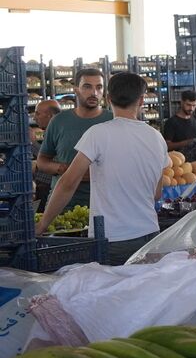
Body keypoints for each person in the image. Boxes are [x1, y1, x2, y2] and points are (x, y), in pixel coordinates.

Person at [35, 73, 167, 265]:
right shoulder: (156, 137)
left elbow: (68, 183)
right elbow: (156, 193)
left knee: (114, 292)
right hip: (150, 233)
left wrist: (42, 225)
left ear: (108, 98)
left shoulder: (98, 133)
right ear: (141, 100)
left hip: (113, 239)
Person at [36, 67, 111, 210]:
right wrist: (62, 168)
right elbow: (42, 160)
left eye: (99, 87)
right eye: (87, 87)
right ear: (76, 89)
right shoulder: (59, 121)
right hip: (62, 207)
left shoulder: (113, 120)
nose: (94, 93)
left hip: (104, 206)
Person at [30, 99, 61, 208]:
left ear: (50, 116)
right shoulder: (50, 132)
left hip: (52, 189)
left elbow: (52, 159)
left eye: (38, 113)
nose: (34, 118)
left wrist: (31, 143)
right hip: (46, 187)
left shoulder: (60, 133)